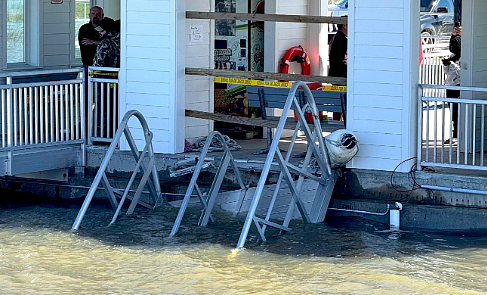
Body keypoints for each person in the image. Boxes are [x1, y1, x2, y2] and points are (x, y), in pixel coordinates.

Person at [442, 25, 461, 144]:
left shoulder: (463, 57)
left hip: (459, 85)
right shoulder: (452, 57)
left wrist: (452, 65)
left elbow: (461, 71)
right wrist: (446, 65)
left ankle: (459, 135)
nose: (452, 48)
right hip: (450, 85)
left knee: (459, 111)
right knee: (453, 111)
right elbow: (447, 72)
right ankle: (454, 135)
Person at [328, 24, 347, 121]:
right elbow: (341, 60)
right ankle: (341, 125)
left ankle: (337, 124)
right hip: (341, 76)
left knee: (338, 103)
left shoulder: (335, 37)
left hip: (334, 74)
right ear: (345, 25)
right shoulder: (342, 40)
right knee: (343, 103)